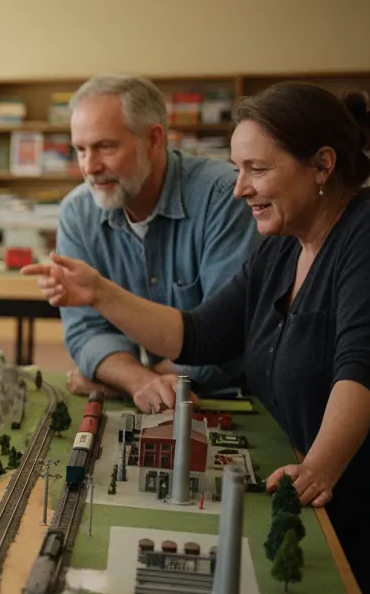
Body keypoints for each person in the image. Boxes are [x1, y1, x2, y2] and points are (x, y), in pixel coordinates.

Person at [24, 83, 370, 594]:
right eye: (237, 170)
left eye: (256, 169)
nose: (240, 189)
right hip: (316, 493)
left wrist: (318, 468)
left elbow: (361, 366)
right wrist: (98, 293)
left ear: (322, 165)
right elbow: (199, 335)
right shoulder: (281, 248)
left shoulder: (365, 236)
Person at [55, 74, 259, 413]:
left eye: (106, 147)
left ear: (153, 139)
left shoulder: (224, 197)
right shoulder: (77, 213)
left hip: (238, 399)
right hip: (149, 399)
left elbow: (231, 336)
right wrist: (139, 382)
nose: (90, 167)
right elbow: (86, 331)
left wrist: (126, 381)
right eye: (80, 150)